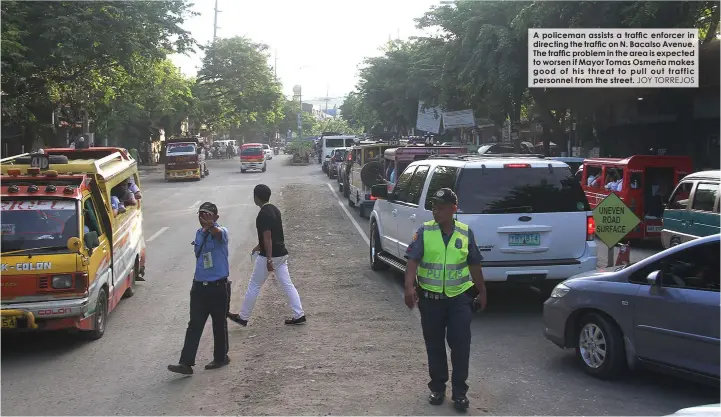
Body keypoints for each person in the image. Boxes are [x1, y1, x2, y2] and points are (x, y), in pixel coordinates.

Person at [404, 188, 487, 411]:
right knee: (435, 345)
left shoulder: (465, 233)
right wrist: (409, 287)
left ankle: (460, 393)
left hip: (459, 298)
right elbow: (412, 260)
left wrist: (482, 291)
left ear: (453, 209)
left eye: (440, 208)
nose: (435, 211)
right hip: (431, 300)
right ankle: (438, 388)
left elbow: (475, 265)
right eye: (433, 207)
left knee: (460, 345)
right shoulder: (425, 231)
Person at [227, 184, 306, 326]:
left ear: (256, 197)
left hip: (270, 256)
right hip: (281, 254)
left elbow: (268, 237)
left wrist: (268, 259)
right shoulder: (274, 210)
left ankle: (243, 317)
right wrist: (258, 246)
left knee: (254, 285)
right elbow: (273, 234)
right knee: (288, 284)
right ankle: (299, 314)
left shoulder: (263, 214)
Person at [168, 202, 231, 375]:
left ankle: (221, 357)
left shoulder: (222, 231)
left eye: (207, 215)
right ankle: (186, 363)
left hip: (218, 287)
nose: (203, 218)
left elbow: (219, 235)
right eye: (201, 215)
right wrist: (205, 230)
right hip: (199, 287)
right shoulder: (199, 233)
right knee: (194, 324)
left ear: (216, 217)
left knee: (219, 323)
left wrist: (212, 227)